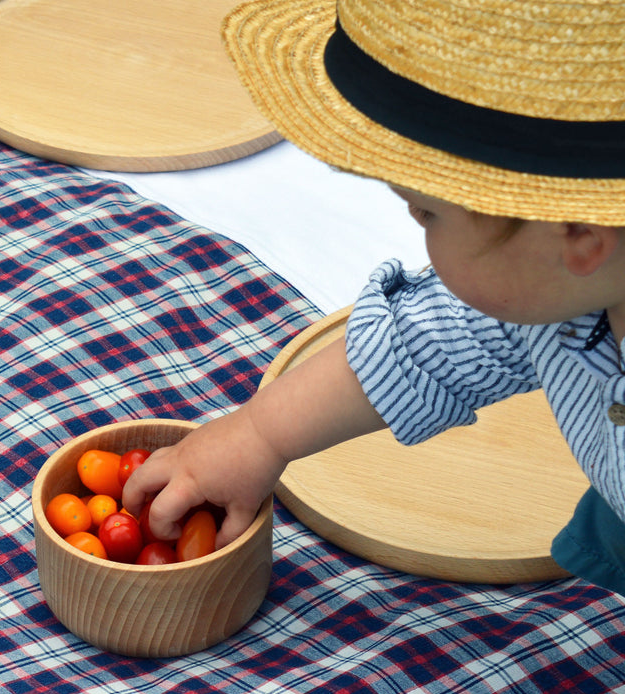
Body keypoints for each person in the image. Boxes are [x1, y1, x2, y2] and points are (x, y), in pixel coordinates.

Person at [123, 0, 625, 595]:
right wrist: (258, 436)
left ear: (580, 238)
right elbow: (425, 341)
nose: (416, 225)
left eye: (427, 213)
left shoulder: (548, 283)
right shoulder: (555, 293)